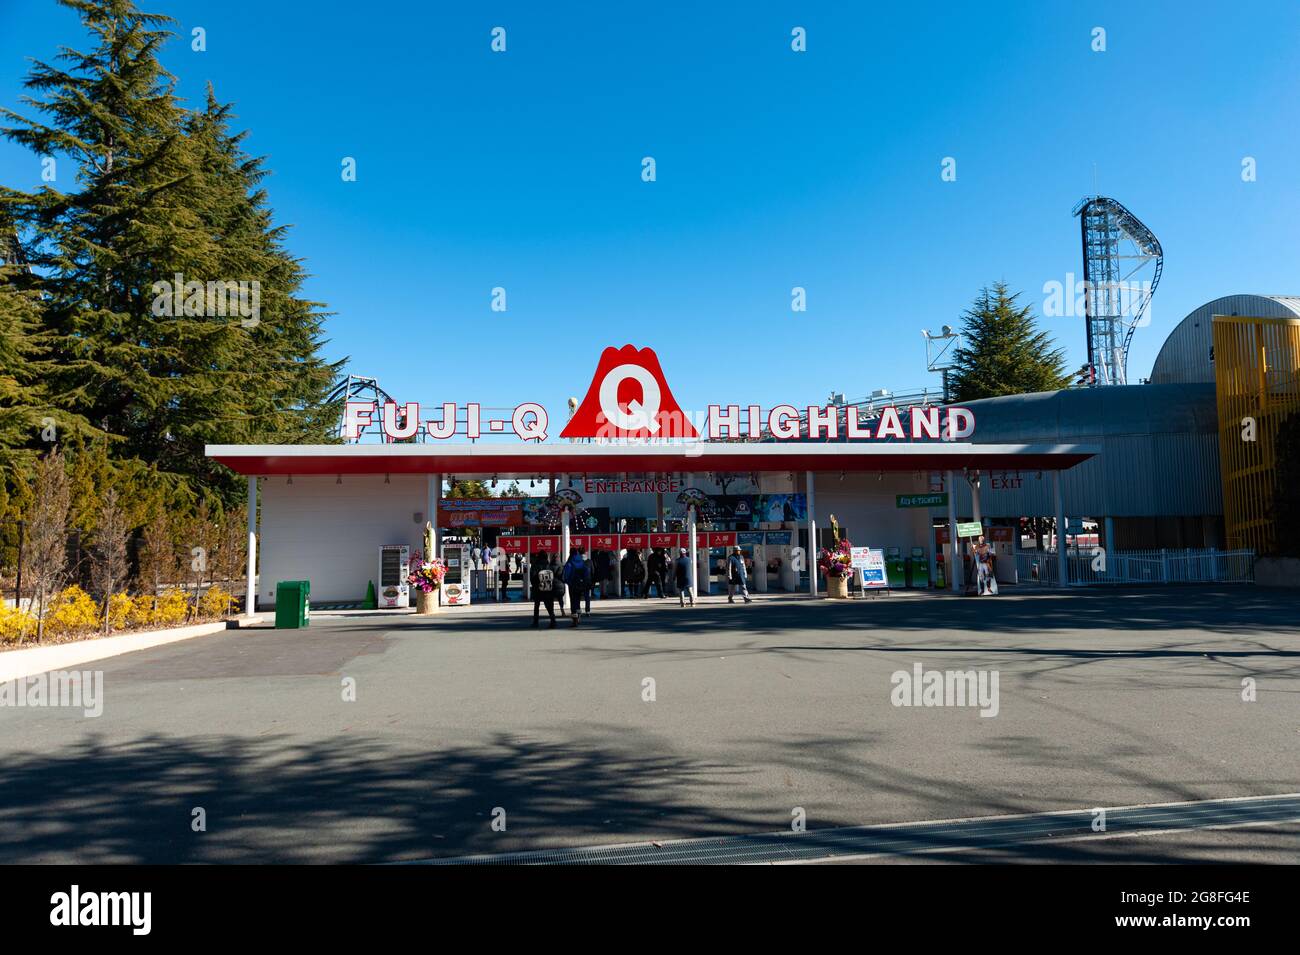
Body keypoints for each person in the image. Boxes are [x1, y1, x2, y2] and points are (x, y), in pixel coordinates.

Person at [561, 545, 592, 627]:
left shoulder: (570, 562)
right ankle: (578, 616)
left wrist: (567, 582)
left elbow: (566, 574)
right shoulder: (581, 561)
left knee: (573, 601)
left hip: (573, 585)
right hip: (581, 584)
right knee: (578, 600)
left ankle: (575, 620)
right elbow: (586, 571)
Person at [529, 550, 557, 628]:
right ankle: (553, 620)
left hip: (538, 588)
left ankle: (535, 622)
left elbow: (532, 577)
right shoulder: (549, 565)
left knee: (537, 605)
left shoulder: (535, 565)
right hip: (548, 588)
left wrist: (535, 585)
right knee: (549, 605)